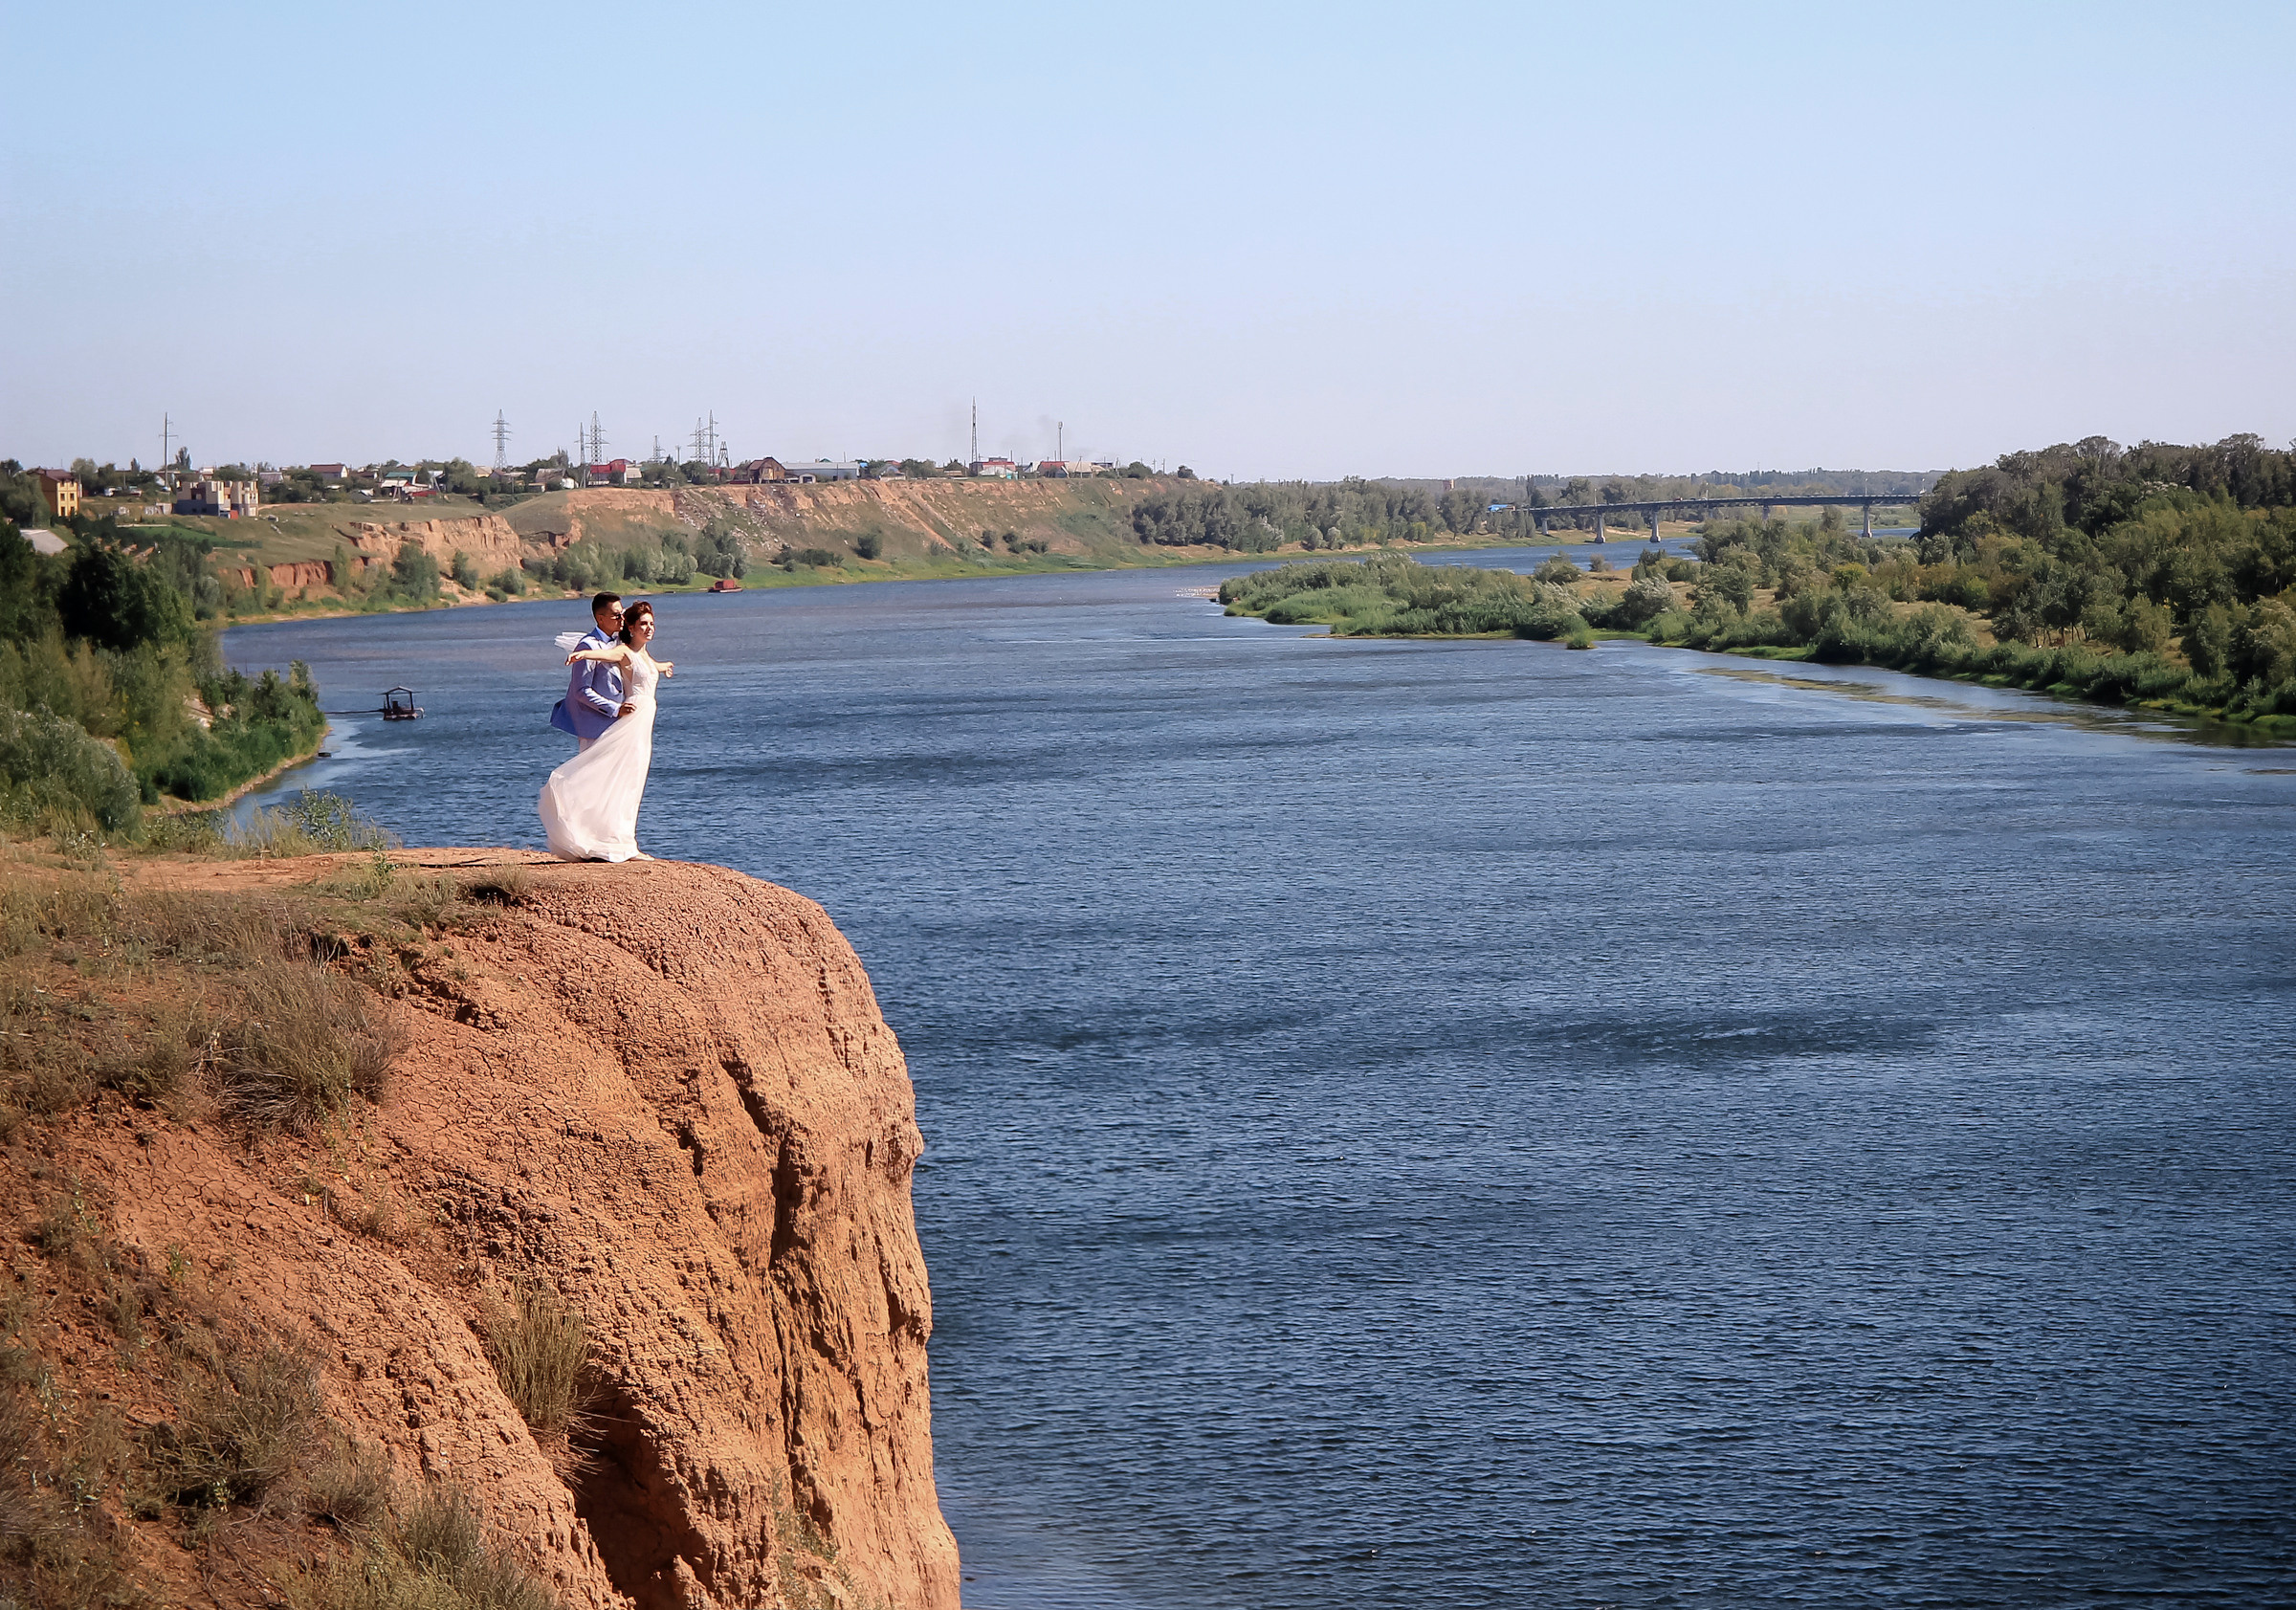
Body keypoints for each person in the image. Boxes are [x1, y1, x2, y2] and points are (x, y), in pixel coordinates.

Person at [538, 601, 674, 862]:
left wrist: (664, 665)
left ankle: (622, 841)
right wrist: (583, 655)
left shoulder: (643, 653)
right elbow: (605, 658)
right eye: (643, 624)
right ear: (632, 628)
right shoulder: (621, 650)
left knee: (631, 783)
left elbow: (649, 667)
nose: (649, 628)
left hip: (643, 726)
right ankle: (607, 840)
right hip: (630, 721)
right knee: (615, 779)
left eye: (652, 624)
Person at [549, 592, 631, 752]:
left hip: (617, 726)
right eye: (616, 615)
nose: (622, 619)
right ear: (600, 618)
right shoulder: (587, 646)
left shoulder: (620, 642)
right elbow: (581, 691)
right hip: (594, 728)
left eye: (623, 613)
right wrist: (614, 708)